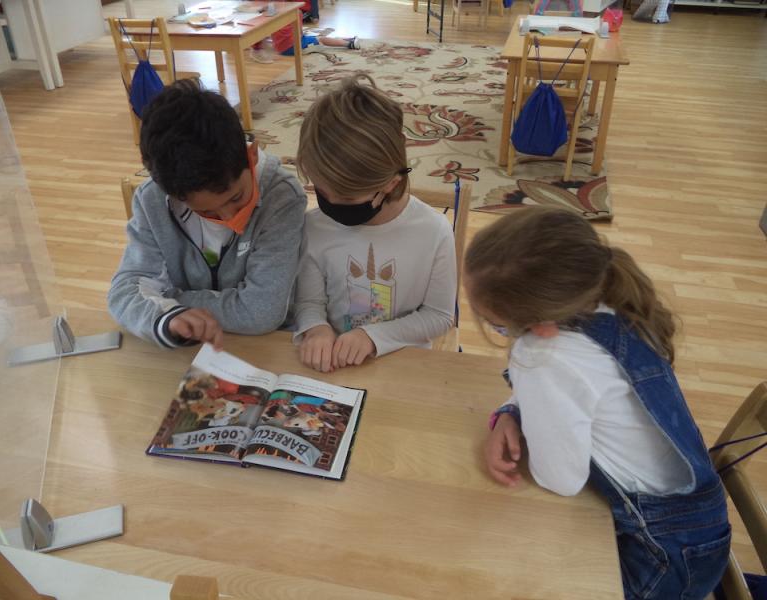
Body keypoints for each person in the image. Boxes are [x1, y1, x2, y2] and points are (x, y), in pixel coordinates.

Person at [463, 206, 730, 600]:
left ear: (540, 326)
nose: (494, 330)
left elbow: (561, 480)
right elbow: (582, 391)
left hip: (658, 559)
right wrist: (514, 411)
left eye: (493, 323)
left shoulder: (543, 356)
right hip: (697, 537)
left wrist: (527, 403)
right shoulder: (609, 302)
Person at [108, 80, 306, 349]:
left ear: (251, 157)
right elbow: (125, 291)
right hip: (196, 351)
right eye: (205, 211)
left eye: (236, 197)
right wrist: (169, 318)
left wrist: (171, 300)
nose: (226, 216)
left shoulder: (281, 197)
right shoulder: (153, 200)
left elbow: (262, 312)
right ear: (175, 196)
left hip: (268, 345)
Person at [293, 75, 457, 373]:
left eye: (345, 197)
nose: (328, 202)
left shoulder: (433, 231)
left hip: (403, 365)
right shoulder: (314, 227)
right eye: (319, 189)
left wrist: (373, 336)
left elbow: (439, 316)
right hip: (332, 366)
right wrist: (315, 328)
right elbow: (309, 301)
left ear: (391, 182)